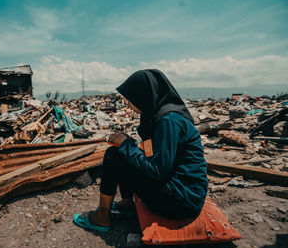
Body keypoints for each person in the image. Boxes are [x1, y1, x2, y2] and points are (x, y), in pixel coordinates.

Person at [73, 69, 208, 232]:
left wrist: (126, 145)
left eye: (130, 98)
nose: (127, 103)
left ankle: (102, 215)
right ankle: (129, 205)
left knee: (114, 155)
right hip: (182, 191)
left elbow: (157, 170)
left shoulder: (168, 121)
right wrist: (128, 145)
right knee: (123, 153)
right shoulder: (159, 115)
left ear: (144, 95)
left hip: (181, 201)